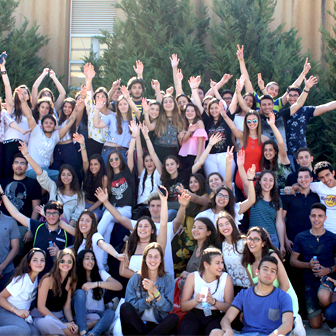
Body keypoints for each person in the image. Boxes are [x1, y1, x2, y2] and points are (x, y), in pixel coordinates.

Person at [95, 186, 178, 277]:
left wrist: (164, 200)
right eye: (140, 226)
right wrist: (105, 201)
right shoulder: (131, 245)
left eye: (146, 226)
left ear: (152, 230)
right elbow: (119, 217)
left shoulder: (158, 245)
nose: (143, 228)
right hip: (135, 287)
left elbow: (163, 224)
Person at [210, 255, 294, 336]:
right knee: (216, 333)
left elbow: (288, 324)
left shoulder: (283, 297)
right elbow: (226, 319)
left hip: (270, 334)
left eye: (273, 271)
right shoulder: (244, 294)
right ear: (257, 272)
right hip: (247, 334)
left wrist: (273, 334)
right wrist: (228, 330)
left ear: (275, 276)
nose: (269, 273)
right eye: (265, 269)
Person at [242, 227, 303, 334]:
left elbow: (285, 285)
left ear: (263, 243)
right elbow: (254, 290)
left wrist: (269, 305)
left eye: (256, 239)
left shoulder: (272, 255)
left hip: (284, 301)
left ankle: (295, 321)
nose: (251, 242)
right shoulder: (248, 263)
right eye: (249, 238)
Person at [15, 87, 80, 181]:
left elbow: (69, 123)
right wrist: (23, 101)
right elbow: (29, 115)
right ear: (42, 125)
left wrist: (76, 109)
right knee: (45, 178)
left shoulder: (55, 136)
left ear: (54, 126)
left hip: (46, 171)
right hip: (32, 170)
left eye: (51, 123)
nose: (48, 125)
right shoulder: (36, 131)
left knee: (64, 176)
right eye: (46, 123)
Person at [0, 192, 74, 272]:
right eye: (48, 213)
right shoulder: (38, 226)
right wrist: (2, 194)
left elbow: (72, 256)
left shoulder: (67, 234)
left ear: (61, 215)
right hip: (36, 274)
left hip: (56, 275)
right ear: (45, 214)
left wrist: (60, 254)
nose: (51, 216)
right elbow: (15, 213)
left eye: (55, 213)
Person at [18, 140, 85, 227]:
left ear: (73, 177)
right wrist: (27, 155)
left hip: (67, 230)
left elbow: (77, 216)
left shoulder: (80, 194)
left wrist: (66, 230)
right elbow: (41, 173)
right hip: (48, 227)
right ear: (60, 176)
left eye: (69, 175)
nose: (66, 177)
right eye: (63, 174)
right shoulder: (54, 187)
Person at [291, 203, 336, 329]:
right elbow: (292, 261)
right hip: (309, 282)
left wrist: (328, 270)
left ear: (325, 218)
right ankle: (323, 314)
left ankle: (329, 313)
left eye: (320, 216)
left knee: (323, 295)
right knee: (315, 326)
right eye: (314, 216)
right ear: (309, 217)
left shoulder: (333, 238)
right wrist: (308, 265)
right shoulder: (301, 236)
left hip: (327, 279)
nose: (316, 219)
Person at [120, 242, 179, 335]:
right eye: (150, 256)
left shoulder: (168, 279)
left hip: (157, 326)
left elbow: (168, 308)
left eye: (156, 256)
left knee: (174, 318)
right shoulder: (135, 279)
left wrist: (156, 293)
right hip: (138, 325)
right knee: (124, 307)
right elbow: (130, 308)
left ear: (161, 260)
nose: (153, 260)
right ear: (145, 259)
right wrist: (147, 300)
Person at [178, 248, 234, 336]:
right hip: (195, 314)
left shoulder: (226, 278)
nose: (221, 266)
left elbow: (230, 308)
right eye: (217, 263)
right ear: (206, 265)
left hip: (215, 316)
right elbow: (183, 306)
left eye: (222, 262)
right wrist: (196, 300)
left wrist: (213, 301)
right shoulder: (193, 277)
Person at [190, 77, 235, 179]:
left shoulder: (226, 119)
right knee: (212, 183)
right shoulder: (206, 120)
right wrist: (194, 89)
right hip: (209, 156)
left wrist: (237, 90)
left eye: (216, 108)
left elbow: (233, 103)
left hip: (225, 155)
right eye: (211, 108)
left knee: (228, 182)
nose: (214, 110)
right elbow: (198, 104)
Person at [96, 149, 135, 265]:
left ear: (121, 160)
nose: (114, 161)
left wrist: (134, 136)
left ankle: (91, 239)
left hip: (125, 210)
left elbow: (131, 155)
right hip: (113, 209)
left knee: (108, 215)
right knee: (108, 229)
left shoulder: (126, 172)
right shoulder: (108, 178)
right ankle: (103, 263)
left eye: (116, 159)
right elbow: (106, 199)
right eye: (111, 159)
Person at [0, 152, 41, 260]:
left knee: (19, 259)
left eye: (22, 163)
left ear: (27, 167)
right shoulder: (2, 182)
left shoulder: (33, 183)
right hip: (3, 226)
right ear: (12, 165)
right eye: (16, 163)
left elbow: (35, 208)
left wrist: (30, 229)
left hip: (22, 227)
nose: (19, 165)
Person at [283, 85, 336, 169]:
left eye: (295, 95)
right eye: (290, 95)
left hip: (302, 152)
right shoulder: (283, 113)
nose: (292, 97)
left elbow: (326, 107)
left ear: (300, 97)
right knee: (291, 178)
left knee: (304, 175)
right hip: (286, 153)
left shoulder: (305, 111)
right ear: (287, 97)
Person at [73, 249, 122, 336]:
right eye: (87, 258)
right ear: (81, 260)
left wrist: (96, 284)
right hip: (82, 315)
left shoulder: (100, 273)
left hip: (98, 314)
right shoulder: (75, 276)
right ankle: (83, 331)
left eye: (93, 259)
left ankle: (92, 334)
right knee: (80, 293)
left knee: (111, 313)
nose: (91, 261)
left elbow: (119, 286)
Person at [0, 248, 46, 336]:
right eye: (35, 260)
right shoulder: (23, 279)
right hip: (6, 311)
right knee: (24, 331)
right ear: (29, 263)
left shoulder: (37, 278)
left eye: (42, 260)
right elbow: (1, 297)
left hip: (20, 315)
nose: (39, 263)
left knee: (35, 333)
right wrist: (16, 310)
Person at [33, 248, 78, 336]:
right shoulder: (48, 278)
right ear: (57, 262)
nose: (66, 264)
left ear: (73, 264)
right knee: (49, 322)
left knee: (94, 318)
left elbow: (67, 307)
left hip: (60, 316)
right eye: (62, 261)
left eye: (69, 262)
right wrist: (62, 324)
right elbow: (41, 307)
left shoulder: (72, 280)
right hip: (42, 317)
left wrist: (71, 322)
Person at [0, 53, 31, 177]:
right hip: (9, 144)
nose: (23, 94)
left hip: (23, 146)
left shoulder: (31, 112)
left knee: (21, 175)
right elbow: (7, 86)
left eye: (25, 93)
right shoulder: (11, 108)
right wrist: (3, 68)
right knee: (6, 172)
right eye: (20, 92)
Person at [172, 174, 209, 275]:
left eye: (195, 181)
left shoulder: (206, 197)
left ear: (201, 183)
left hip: (195, 238)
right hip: (183, 235)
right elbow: (182, 213)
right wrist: (179, 224)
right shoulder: (186, 198)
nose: (193, 184)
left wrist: (188, 193)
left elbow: (197, 199)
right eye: (191, 182)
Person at [93, 89, 133, 163]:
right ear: (117, 106)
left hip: (123, 152)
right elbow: (96, 124)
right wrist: (97, 109)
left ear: (129, 105)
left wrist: (132, 149)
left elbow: (136, 137)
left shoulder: (133, 120)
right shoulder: (112, 116)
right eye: (120, 104)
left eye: (125, 104)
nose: (123, 106)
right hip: (108, 150)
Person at [249, 170, 285, 252]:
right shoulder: (253, 196)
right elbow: (245, 183)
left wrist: (282, 245)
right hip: (254, 237)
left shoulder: (277, 200)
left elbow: (279, 223)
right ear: (260, 181)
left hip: (272, 238)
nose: (267, 183)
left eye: (271, 180)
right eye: (265, 179)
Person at [74, 133, 107, 221]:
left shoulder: (104, 178)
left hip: (95, 207)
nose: (93, 167)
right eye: (91, 164)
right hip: (82, 203)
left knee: (90, 220)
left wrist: (88, 210)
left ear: (101, 165)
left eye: (96, 164)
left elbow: (101, 200)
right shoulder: (87, 172)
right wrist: (82, 144)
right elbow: (85, 160)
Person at [82, 63, 112, 159]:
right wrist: (89, 78)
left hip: (107, 146)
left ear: (107, 99)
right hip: (93, 144)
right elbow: (88, 93)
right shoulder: (92, 109)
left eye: (103, 96)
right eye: (98, 97)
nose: (100, 99)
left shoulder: (112, 114)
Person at [49, 97, 84, 177]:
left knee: (71, 173)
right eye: (65, 106)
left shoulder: (74, 121)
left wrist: (81, 99)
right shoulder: (58, 121)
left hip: (69, 149)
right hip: (57, 149)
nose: (67, 109)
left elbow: (80, 111)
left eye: (69, 107)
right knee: (56, 174)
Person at [216, 211, 250, 293]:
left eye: (227, 223)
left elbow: (250, 265)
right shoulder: (222, 244)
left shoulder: (243, 241)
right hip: (233, 288)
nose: (225, 227)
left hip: (248, 287)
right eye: (221, 225)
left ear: (232, 224)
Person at [260, 112, 292, 189]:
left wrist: (272, 125)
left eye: (270, 150)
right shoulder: (266, 167)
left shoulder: (281, 158)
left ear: (275, 151)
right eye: (265, 150)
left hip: (289, 194)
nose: (267, 153)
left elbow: (280, 142)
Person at [307, 161, 336, 234]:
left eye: (327, 175)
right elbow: (302, 185)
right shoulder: (318, 186)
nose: (326, 180)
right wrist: (293, 187)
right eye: (322, 177)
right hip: (326, 232)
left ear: (333, 173)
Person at [0, 192, 20, 291]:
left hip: (7, 271)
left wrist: (1, 267)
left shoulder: (11, 221)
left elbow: (15, 248)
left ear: (0, 202)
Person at [178, 103, 208, 170]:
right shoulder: (184, 123)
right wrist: (189, 132)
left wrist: (198, 158)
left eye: (192, 111)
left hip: (195, 155)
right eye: (187, 111)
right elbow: (183, 141)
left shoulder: (199, 122)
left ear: (196, 112)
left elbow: (201, 142)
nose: (190, 113)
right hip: (184, 155)